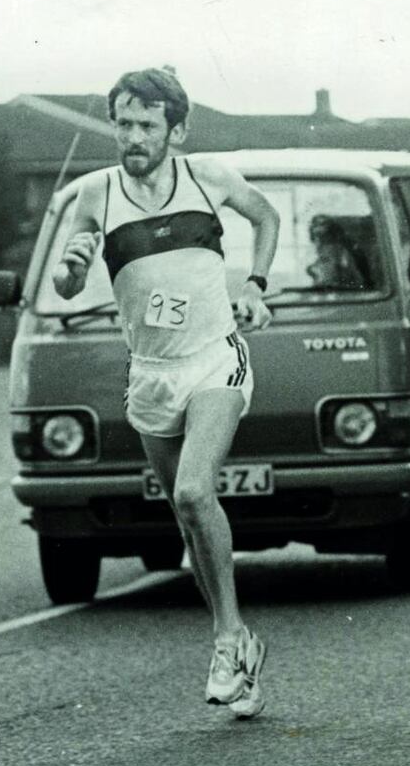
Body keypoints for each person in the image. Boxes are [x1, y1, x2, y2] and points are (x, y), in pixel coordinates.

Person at [52, 68, 279, 719]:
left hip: (215, 359)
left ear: (176, 132)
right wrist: (72, 269)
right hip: (151, 374)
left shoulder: (208, 178)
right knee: (189, 521)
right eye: (123, 124)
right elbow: (67, 280)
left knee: (191, 492)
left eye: (147, 125)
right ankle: (239, 650)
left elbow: (265, 217)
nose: (133, 137)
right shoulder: (95, 194)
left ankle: (229, 640)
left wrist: (256, 284)